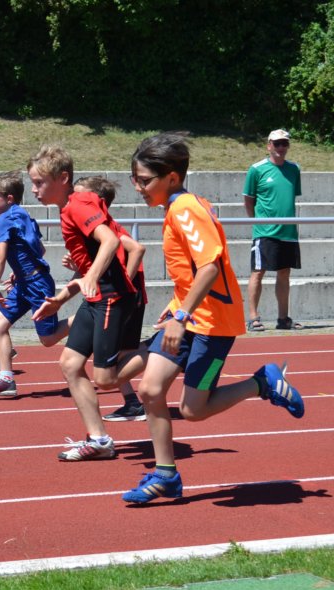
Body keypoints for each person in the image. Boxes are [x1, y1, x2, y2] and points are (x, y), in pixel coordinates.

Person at [120, 132, 305, 505]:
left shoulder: (186, 209)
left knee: (193, 410)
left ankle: (262, 383)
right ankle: (166, 475)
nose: (138, 188)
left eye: (144, 180)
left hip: (211, 323)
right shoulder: (177, 207)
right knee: (150, 390)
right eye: (135, 180)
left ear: (172, 177)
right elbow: (192, 271)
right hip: (188, 316)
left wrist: (181, 314)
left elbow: (209, 267)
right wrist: (177, 305)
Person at [28, 145, 146, 462]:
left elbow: (111, 241)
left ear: (63, 178)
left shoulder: (78, 205)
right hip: (95, 297)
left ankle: (164, 348)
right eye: (33, 183)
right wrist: (61, 299)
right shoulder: (68, 208)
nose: (34, 190)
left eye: (39, 182)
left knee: (105, 380)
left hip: (111, 296)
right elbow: (88, 265)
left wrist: (92, 276)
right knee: (69, 364)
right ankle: (100, 440)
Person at [0, 171, 69, 397]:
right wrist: (19, 272)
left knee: (48, 339)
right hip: (26, 282)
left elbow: (1, 254)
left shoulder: (5, 218)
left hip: (37, 284)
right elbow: (40, 249)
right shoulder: (23, 214)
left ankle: (89, 317)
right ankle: (6, 380)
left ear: (9, 199)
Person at [72, 176, 149, 422]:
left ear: (98, 201)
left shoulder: (109, 227)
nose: (75, 200)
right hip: (113, 295)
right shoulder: (91, 228)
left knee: (112, 360)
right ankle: (132, 402)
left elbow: (137, 248)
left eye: (80, 195)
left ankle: (160, 348)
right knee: (114, 355)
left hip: (124, 295)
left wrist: (124, 283)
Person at [243, 129, 301, 331]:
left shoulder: (294, 169)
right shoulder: (257, 169)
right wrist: (257, 222)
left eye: (285, 143)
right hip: (265, 232)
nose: (281, 147)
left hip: (288, 232)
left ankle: (283, 318)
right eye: (277, 143)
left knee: (284, 273)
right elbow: (248, 200)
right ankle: (253, 318)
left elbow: (290, 197)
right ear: (269, 145)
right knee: (258, 272)